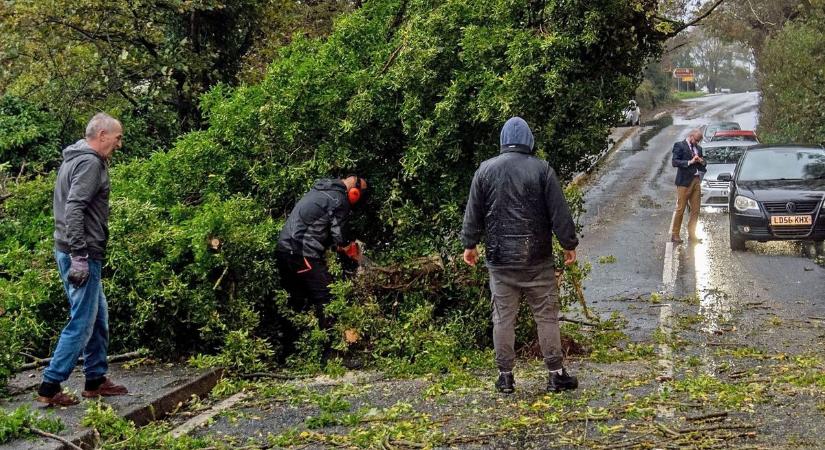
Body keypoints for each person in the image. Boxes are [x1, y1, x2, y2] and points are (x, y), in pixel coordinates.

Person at [461, 117, 579, 394]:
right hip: (537, 258)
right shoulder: (542, 169)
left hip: (500, 260)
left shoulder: (485, 170)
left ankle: (505, 377)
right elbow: (559, 212)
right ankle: (555, 375)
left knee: (503, 319)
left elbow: (473, 211)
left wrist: (470, 244)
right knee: (546, 317)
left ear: (503, 140)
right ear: (529, 141)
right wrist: (568, 244)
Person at [37, 113, 128, 406]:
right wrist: (79, 255)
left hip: (72, 249)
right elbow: (74, 208)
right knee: (83, 322)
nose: (119, 144)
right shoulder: (89, 162)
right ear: (101, 135)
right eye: (117, 138)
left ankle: (95, 379)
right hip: (81, 253)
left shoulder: (75, 157)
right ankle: (50, 385)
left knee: (98, 316)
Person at [276, 176, 367, 349]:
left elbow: (320, 227)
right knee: (328, 297)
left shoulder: (321, 190)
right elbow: (340, 237)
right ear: (355, 193)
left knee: (297, 300)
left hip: (284, 250)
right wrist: (349, 248)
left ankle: (291, 351)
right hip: (302, 253)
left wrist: (336, 246)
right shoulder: (339, 199)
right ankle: (334, 354)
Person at [670, 129, 707, 244]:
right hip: (684, 182)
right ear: (691, 136)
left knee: (696, 210)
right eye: (696, 140)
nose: (697, 142)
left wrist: (701, 161)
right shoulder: (679, 145)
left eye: (699, 141)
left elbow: (704, 164)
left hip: (696, 180)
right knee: (680, 209)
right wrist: (689, 162)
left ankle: (692, 234)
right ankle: (675, 234)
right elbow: (675, 162)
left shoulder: (699, 149)